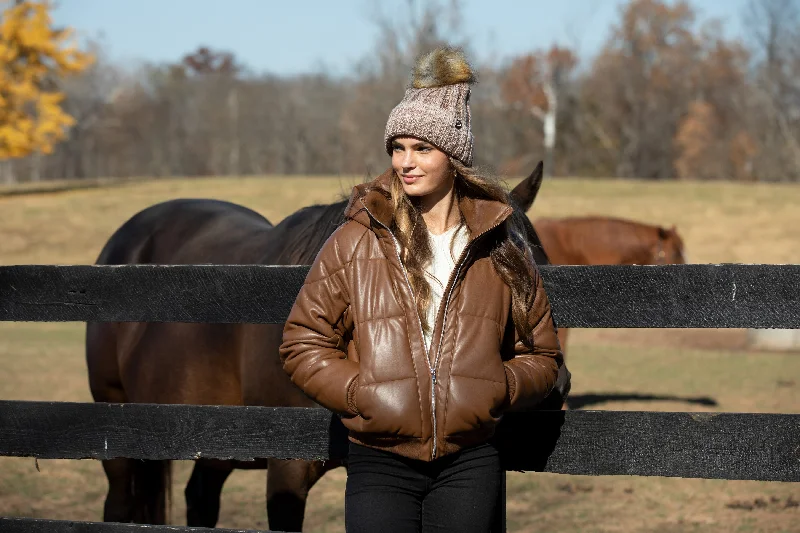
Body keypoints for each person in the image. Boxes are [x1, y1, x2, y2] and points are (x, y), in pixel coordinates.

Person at [279, 46, 565, 533]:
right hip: (379, 461)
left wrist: (500, 388)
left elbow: (542, 353)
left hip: (469, 462)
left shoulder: (499, 244)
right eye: (397, 148)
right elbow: (301, 343)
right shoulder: (357, 237)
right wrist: (361, 392)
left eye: (421, 148)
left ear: (453, 156)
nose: (404, 163)